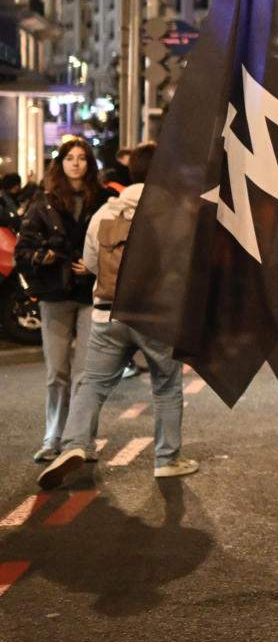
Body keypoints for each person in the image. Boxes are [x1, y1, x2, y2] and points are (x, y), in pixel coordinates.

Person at [36, 144, 197, 488]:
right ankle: (167, 459)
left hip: (107, 313)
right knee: (166, 387)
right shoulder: (174, 212)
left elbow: (92, 262)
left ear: (131, 172)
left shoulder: (106, 212)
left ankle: (75, 444)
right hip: (155, 315)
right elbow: (185, 265)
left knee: (92, 384)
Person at [20, 137, 105, 462]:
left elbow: (120, 244)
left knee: (86, 374)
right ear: (60, 162)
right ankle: (52, 437)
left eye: (82, 158)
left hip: (90, 295)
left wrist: (94, 264)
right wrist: (47, 256)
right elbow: (23, 251)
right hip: (55, 295)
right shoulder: (44, 203)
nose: (76, 163)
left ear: (89, 163)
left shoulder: (103, 199)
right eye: (70, 157)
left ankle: (82, 441)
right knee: (57, 372)